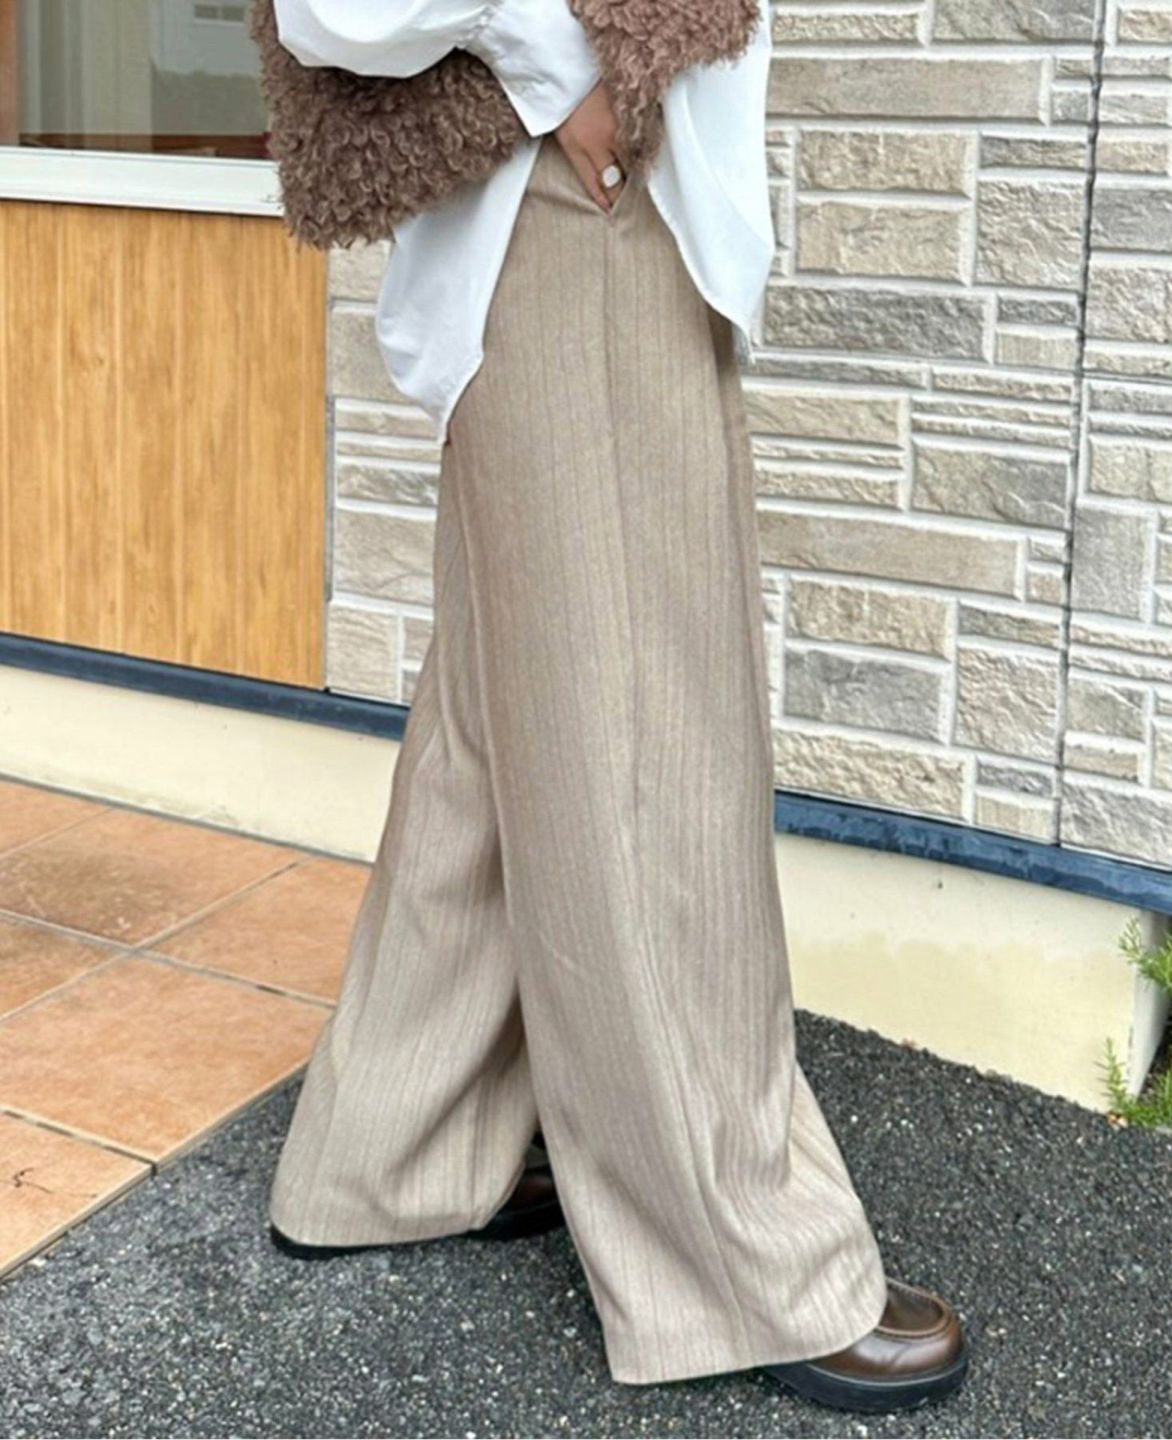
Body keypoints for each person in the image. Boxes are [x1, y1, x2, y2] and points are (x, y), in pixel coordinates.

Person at [261, 0, 969, 1414]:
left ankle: (394, 1147)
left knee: (503, 731)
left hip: (581, 211)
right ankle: (740, 1260)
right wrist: (561, 72)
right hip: (582, 217)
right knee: (647, 742)